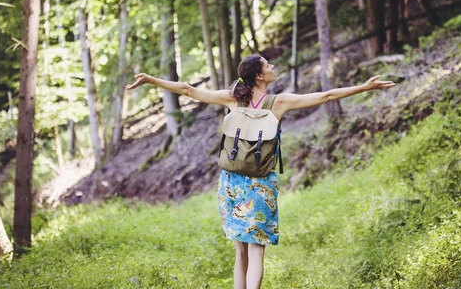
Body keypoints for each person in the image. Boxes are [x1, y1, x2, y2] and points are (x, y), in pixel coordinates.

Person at [126, 54, 395, 289]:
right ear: (259, 76)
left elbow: (187, 90)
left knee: (239, 252)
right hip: (261, 183)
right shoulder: (279, 102)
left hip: (232, 181)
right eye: (268, 65)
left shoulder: (233, 99)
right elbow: (326, 96)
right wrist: (364, 87)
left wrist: (152, 80)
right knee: (256, 253)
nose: (273, 67)